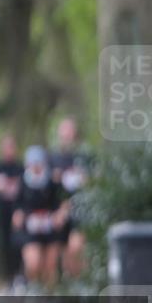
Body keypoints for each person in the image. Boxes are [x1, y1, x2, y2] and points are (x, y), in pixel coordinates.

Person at [13, 146, 66, 291]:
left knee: (50, 265)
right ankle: (33, 289)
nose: (36, 166)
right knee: (33, 262)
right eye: (32, 163)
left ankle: (49, 296)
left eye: (38, 162)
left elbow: (63, 202)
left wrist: (59, 214)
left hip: (50, 228)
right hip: (30, 228)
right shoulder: (22, 181)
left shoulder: (53, 181)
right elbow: (17, 205)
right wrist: (18, 214)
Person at [48, 117, 91, 283]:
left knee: (77, 248)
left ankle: (83, 286)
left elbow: (93, 183)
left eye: (69, 130)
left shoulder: (84, 156)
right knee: (63, 253)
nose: (66, 134)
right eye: (63, 130)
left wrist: (85, 178)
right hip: (58, 211)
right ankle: (71, 290)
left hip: (80, 211)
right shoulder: (53, 158)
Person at [0, 134, 24, 292]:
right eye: (5, 147)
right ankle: (9, 278)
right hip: (2, 213)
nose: (8, 150)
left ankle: (21, 278)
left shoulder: (21, 168)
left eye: (11, 147)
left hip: (19, 214)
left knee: (19, 245)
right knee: (5, 246)